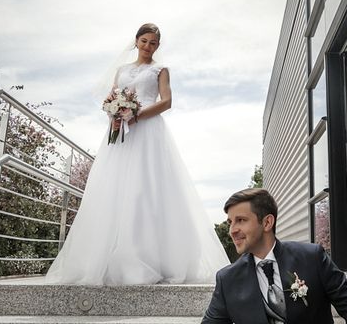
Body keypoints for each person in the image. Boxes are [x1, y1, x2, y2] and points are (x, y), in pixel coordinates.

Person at [45, 23, 229, 285]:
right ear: (136, 41)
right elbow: (110, 98)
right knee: (114, 187)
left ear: (157, 46)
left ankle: (149, 258)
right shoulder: (121, 70)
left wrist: (136, 115)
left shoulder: (160, 70)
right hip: (120, 133)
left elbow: (166, 101)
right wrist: (116, 114)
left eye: (153, 43)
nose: (147, 47)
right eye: (144, 41)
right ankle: (107, 257)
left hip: (148, 132)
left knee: (146, 187)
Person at [202, 188, 347, 324]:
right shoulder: (227, 279)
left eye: (240, 220)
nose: (232, 230)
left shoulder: (312, 258)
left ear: (267, 222)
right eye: (230, 222)